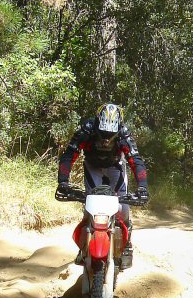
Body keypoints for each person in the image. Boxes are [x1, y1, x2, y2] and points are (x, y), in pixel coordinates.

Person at [56, 103, 149, 269]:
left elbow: (136, 160)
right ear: (97, 124)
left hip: (115, 167)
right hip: (92, 166)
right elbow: (70, 155)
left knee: (123, 208)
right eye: (103, 134)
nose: (106, 139)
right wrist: (63, 181)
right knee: (89, 207)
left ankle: (127, 246)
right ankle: (85, 245)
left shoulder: (123, 133)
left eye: (110, 135)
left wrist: (142, 187)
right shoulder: (87, 130)